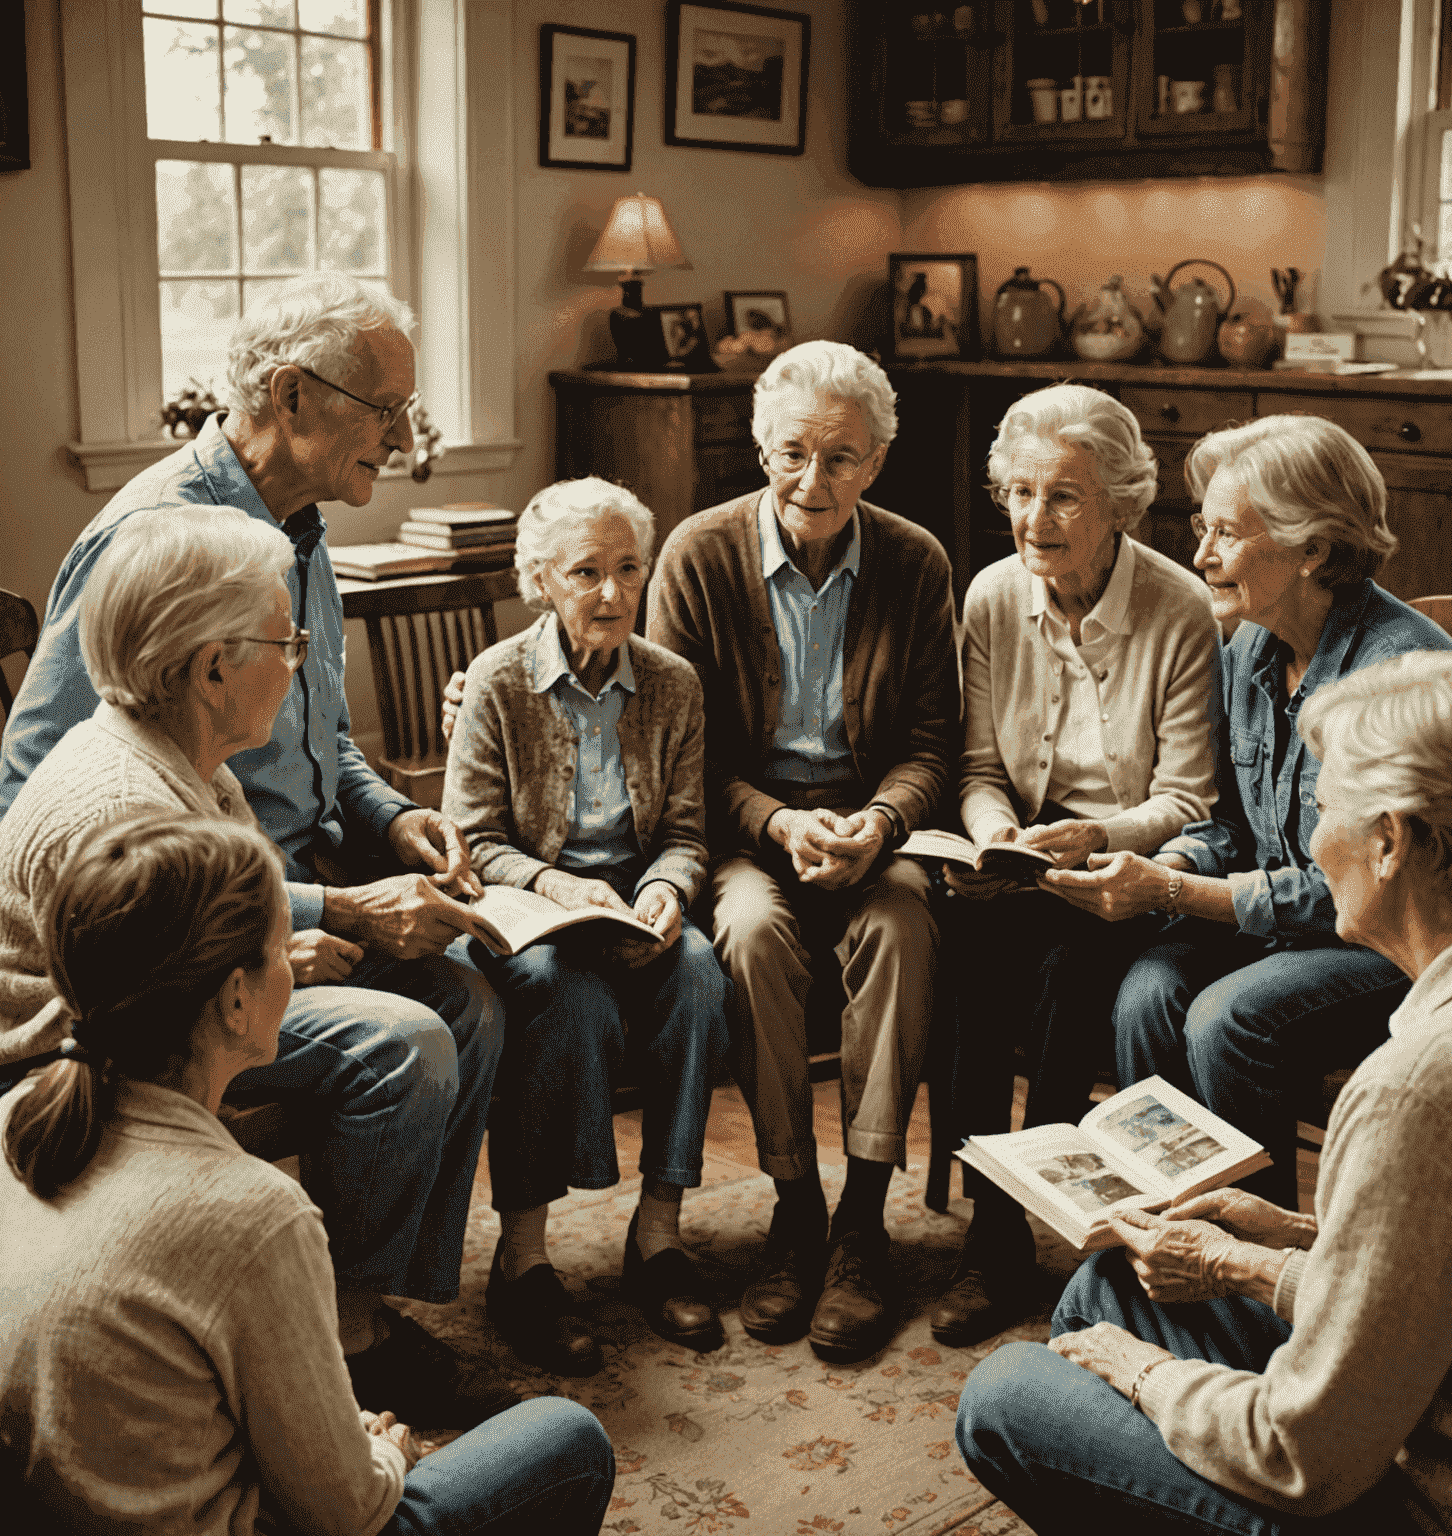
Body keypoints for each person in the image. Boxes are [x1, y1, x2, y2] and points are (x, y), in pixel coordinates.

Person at [955, 648, 1452, 1536]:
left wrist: (1136, 1373)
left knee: (1008, 1391)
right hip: (1439, 1417)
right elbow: (1449, 1289)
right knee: (1115, 1284)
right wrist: (1270, 1251)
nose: (1314, 840)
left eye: (1322, 808)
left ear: (1391, 841)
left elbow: (1304, 1457)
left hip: (1428, 1508)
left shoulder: (1421, 1091)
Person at [0, 507, 503, 1426]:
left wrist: (283, 948)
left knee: (461, 992)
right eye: (284, 641)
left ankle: (364, 1298)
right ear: (213, 665)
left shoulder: (191, 752)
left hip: (181, 991)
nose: (297, 664)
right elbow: (160, 1012)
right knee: (404, 1040)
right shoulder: (124, 797)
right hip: (58, 1054)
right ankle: (340, 1339)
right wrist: (290, 950)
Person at [0, 811, 615, 1536]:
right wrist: (387, 1455)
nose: (296, 962)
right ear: (236, 999)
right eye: (282, 948)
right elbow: (349, 1512)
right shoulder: (256, 1215)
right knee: (570, 1441)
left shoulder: (15, 1121)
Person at [0, 273, 503, 1147]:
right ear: (292, 394)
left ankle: (364, 1279)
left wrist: (392, 817)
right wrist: (319, 914)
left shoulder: (301, 531)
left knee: (483, 992)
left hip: (298, 890)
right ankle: (321, 1274)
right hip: (186, 942)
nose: (405, 437)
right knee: (422, 1036)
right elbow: (32, 799)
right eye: (386, 407)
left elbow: (327, 737)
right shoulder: (153, 538)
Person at [1042, 414, 1452, 1208]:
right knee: (1146, 992)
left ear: (1315, 550)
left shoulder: (1397, 672)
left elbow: (1357, 890)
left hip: (1388, 940)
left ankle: (1255, 1264)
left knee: (1229, 1018)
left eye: (1227, 533)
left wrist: (1172, 895)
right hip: (1280, 924)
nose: (1201, 556)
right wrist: (1166, 866)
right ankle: (1165, 1231)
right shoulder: (1249, 648)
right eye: (1205, 527)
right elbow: (1225, 821)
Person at [646, 339, 959, 1364]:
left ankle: (862, 1217)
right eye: (791, 454)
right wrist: (777, 824)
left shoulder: (915, 561)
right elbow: (682, 751)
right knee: (746, 930)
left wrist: (880, 825)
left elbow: (929, 742)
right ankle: (795, 1205)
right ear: (759, 448)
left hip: (872, 831)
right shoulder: (697, 555)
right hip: (749, 827)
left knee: (907, 924)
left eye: (841, 459)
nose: (811, 482)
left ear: (876, 462)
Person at [934, 384, 1219, 1346]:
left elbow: (1190, 800)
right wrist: (987, 835)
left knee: (1068, 971)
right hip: (1022, 852)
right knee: (967, 954)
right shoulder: (991, 595)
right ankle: (993, 1228)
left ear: (1121, 507)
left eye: (1062, 497)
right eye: (1019, 493)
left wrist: (1098, 840)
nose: (1032, 519)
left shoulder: (1180, 609)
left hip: (1130, 864)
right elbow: (978, 771)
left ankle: (1052, 1217)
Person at [441, 478, 730, 1374]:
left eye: (627, 569)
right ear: (541, 579)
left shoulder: (674, 683)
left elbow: (685, 833)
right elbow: (473, 839)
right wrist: (561, 891)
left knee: (700, 976)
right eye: (586, 572)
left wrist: (666, 891)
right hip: (529, 920)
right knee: (566, 1000)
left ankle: (658, 1238)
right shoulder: (496, 683)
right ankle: (523, 1260)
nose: (611, 594)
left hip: (632, 910)